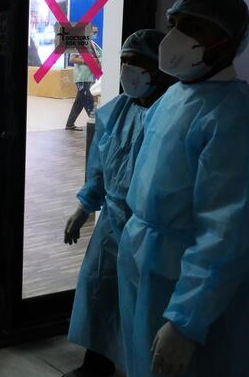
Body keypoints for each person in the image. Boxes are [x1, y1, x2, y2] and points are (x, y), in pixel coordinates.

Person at [118, 0, 249, 377]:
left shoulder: (232, 116)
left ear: (225, 43)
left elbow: (229, 229)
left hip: (187, 279)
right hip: (146, 260)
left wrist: (186, 320)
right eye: (175, 24)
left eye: (194, 27)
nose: (175, 38)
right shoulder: (174, 97)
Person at [64, 29, 174, 377]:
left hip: (152, 231)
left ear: (159, 69)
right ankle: (96, 363)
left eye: (137, 63)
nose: (127, 69)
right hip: (112, 224)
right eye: (124, 61)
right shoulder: (116, 112)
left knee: (143, 306)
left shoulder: (173, 116)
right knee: (100, 290)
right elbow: (101, 169)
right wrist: (84, 207)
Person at [66, 26, 102, 131]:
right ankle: (96, 124)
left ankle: (69, 124)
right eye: (94, 32)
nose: (95, 34)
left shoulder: (93, 45)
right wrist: (88, 61)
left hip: (89, 77)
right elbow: (72, 59)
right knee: (88, 100)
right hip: (81, 77)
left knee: (79, 102)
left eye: (96, 32)